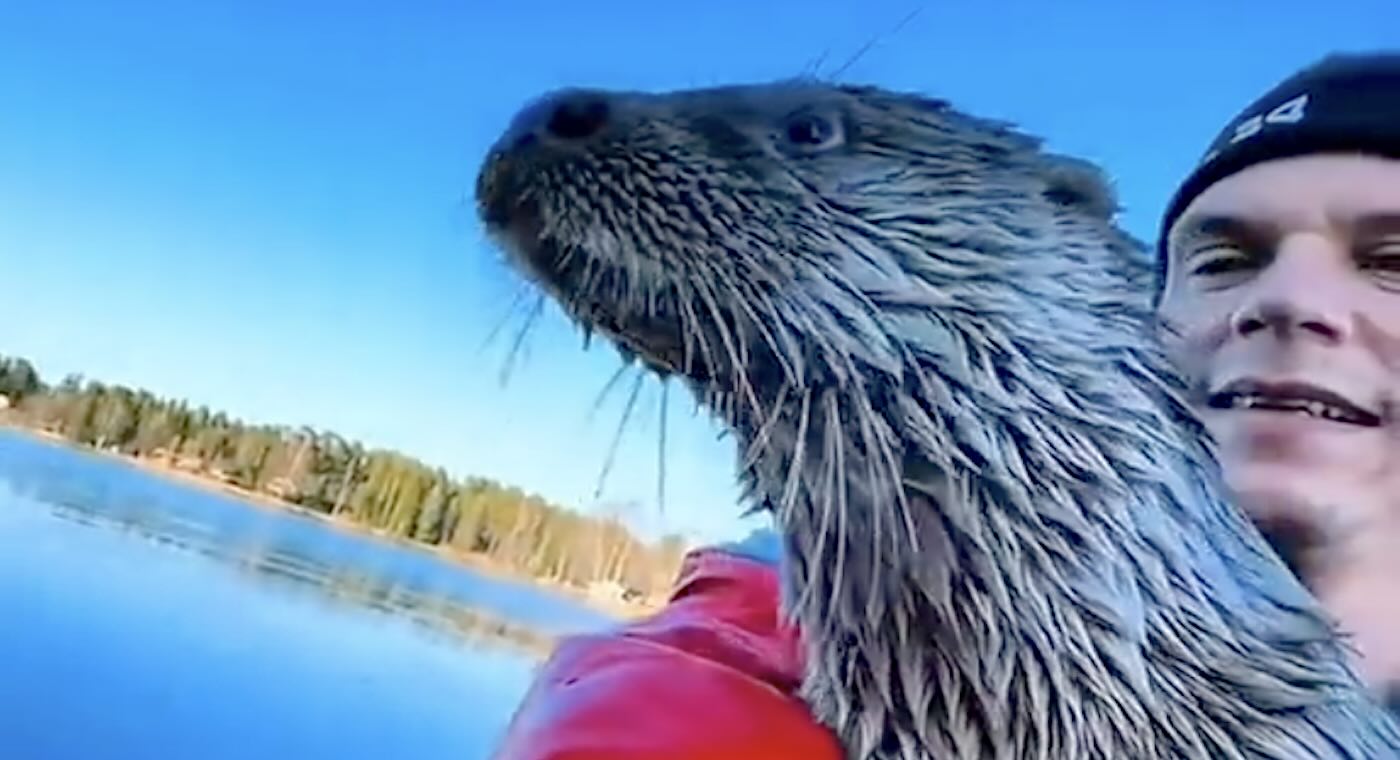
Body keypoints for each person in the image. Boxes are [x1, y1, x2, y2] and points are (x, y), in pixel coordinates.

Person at [490, 51, 1400, 759]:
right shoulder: (719, 658)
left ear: (1065, 227)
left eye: (810, 135)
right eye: (1223, 259)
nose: (1288, 301)